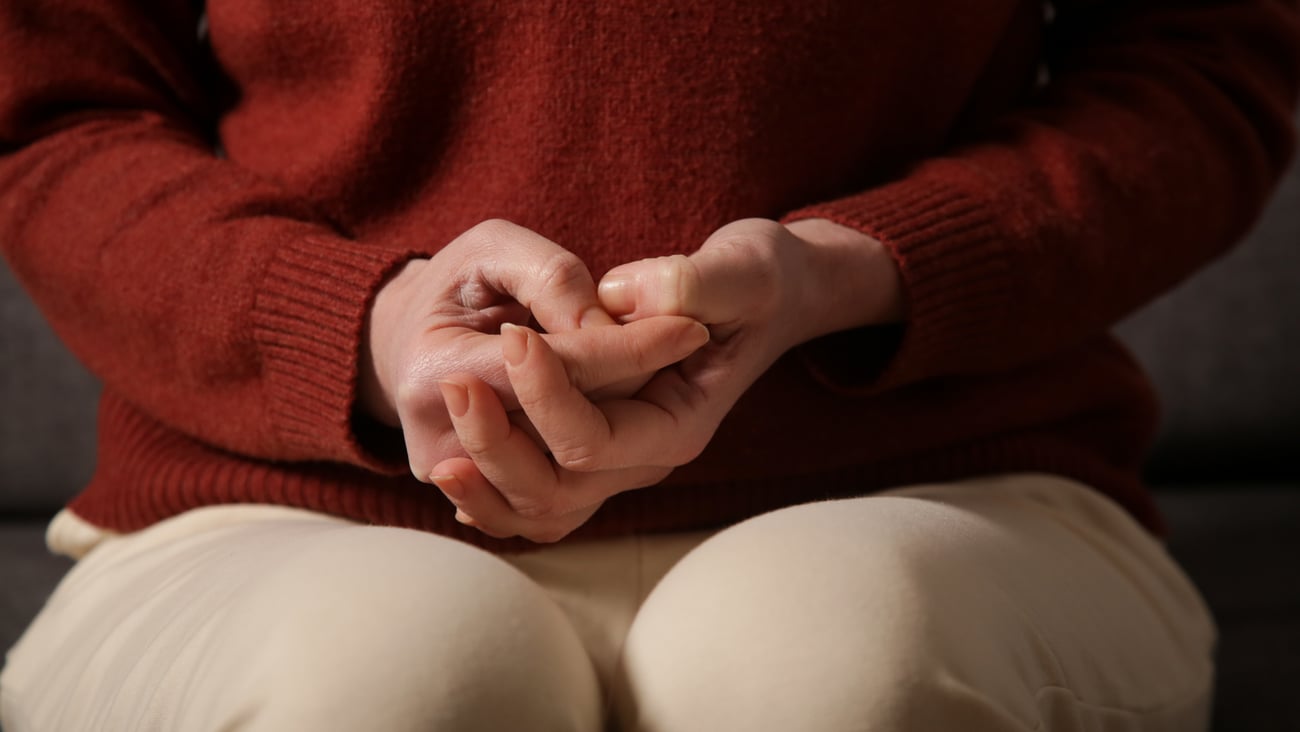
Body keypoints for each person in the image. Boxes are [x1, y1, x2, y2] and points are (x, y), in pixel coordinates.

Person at [1, 0, 1297, 729]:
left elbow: (1201, 70)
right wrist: (364, 323)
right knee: (381, 681)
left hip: (948, 489)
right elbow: (55, 115)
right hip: (274, 508)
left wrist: (852, 272)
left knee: (833, 668)